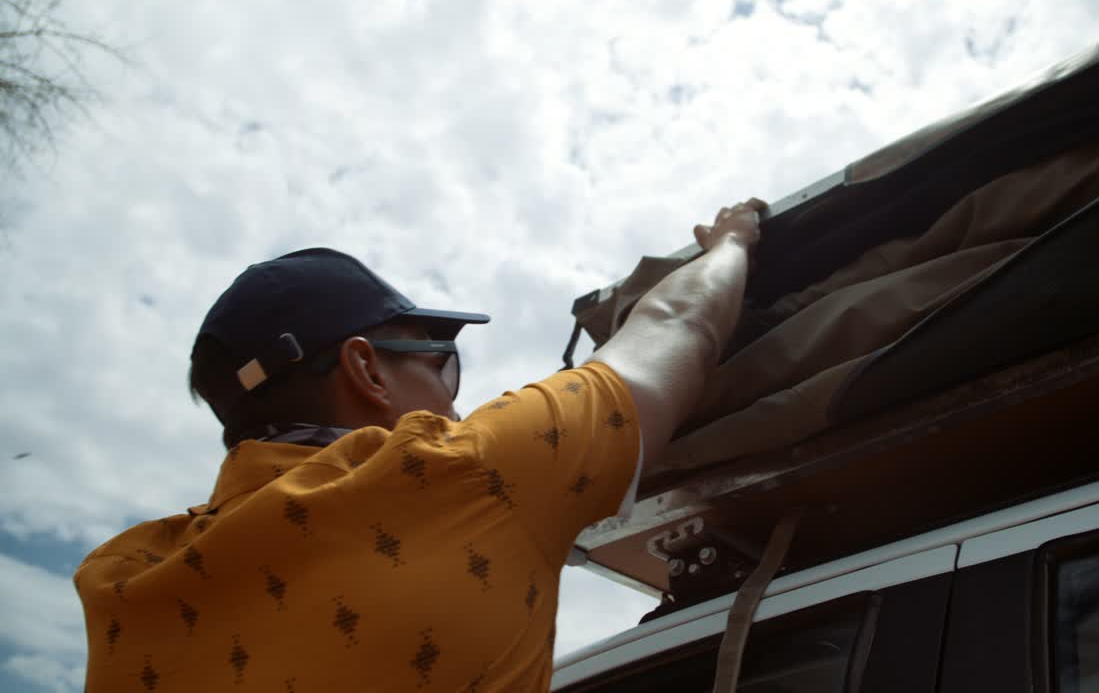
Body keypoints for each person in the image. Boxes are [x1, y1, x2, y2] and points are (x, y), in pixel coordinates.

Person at [74, 199, 766, 692]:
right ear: (366, 369)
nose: (455, 401)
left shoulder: (122, 586)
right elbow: (679, 324)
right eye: (442, 363)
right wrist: (732, 241)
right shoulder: (464, 475)